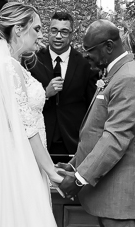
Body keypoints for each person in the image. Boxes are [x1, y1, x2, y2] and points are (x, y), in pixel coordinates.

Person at [57, 20, 135, 227]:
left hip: (120, 195)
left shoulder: (129, 79)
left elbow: (115, 138)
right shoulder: (117, 74)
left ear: (108, 47)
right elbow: (96, 131)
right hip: (109, 192)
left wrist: (79, 179)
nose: (86, 55)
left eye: (90, 50)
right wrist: (75, 165)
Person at [0, 2, 64, 227]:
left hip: (14, 161)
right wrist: (51, 170)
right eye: (37, 28)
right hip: (21, 165)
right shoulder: (10, 67)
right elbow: (27, 128)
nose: (41, 35)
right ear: (18, 29)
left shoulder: (5, 63)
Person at [30, 10, 101, 161]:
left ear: (71, 34)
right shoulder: (32, 62)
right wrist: (45, 93)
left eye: (63, 32)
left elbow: (92, 106)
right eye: (54, 30)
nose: (58, 36)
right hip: (40, 138)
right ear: (48, 31)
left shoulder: (85, 65)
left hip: (73, 140)